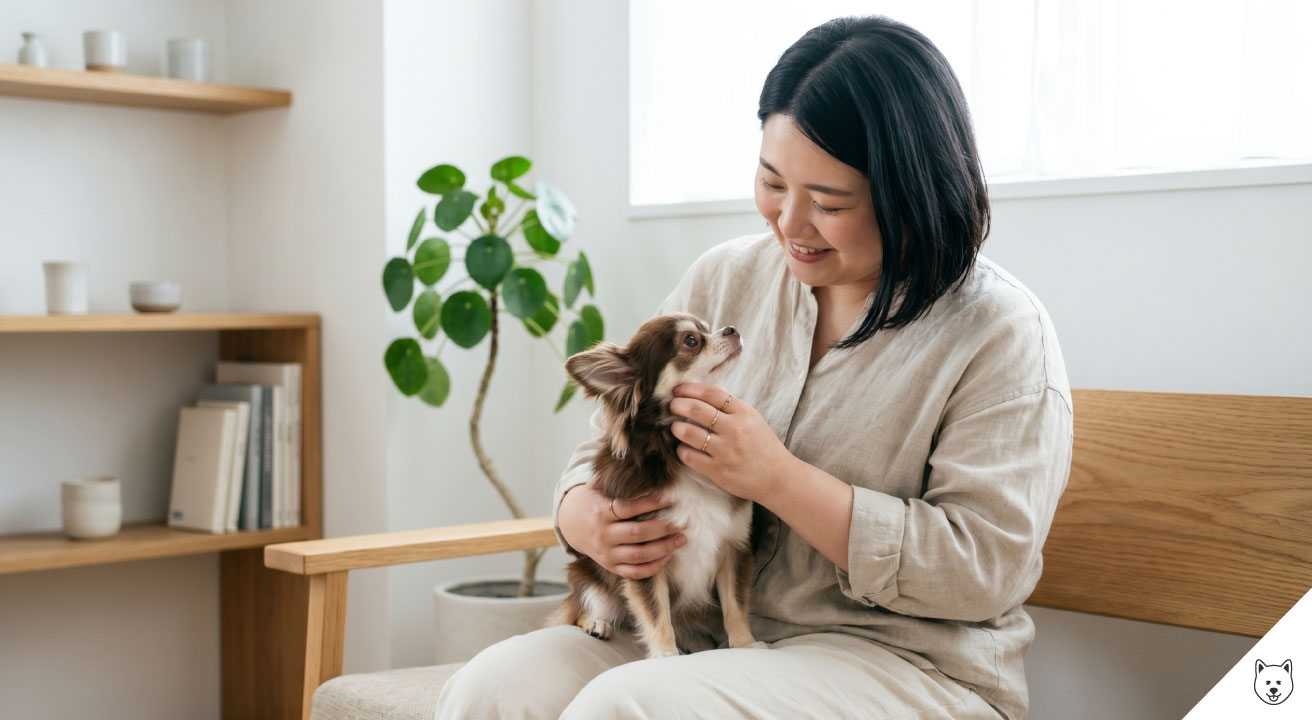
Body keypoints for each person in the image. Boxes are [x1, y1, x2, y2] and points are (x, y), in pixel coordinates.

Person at [437, 14, 1071, 720]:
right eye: (772, 182)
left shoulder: (999, 335)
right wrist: (582, 516)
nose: (788, 223)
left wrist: (778, 479)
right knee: (491, 690)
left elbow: (981, 571)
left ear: (910, 193)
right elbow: (600, 447)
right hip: (700, 629)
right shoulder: (727, 279)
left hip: (904, 663)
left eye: (829, 202)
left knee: (630, 706)